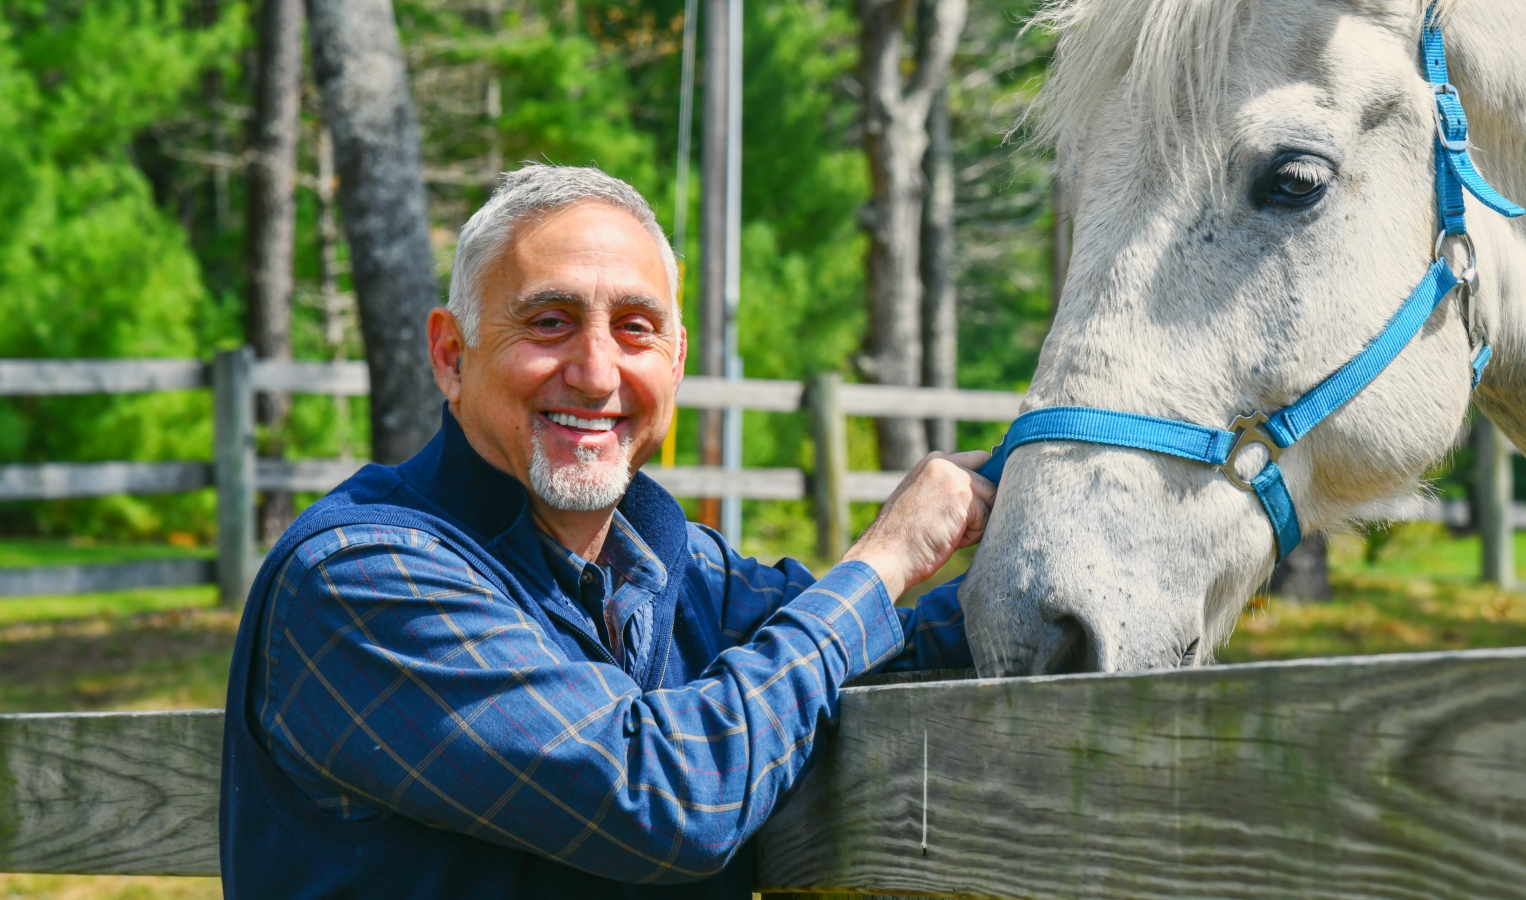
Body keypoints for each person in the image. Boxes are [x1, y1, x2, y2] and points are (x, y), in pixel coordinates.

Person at [219, 164, 991, 899]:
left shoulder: (683, 576)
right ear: (452, 355)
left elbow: (904, 649)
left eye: (635, 329)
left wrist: (1060, 493)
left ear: (677, 360)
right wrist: (884, 558)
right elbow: (663, 796)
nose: (595, 371)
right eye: (549, 323)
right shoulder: (359, 576)